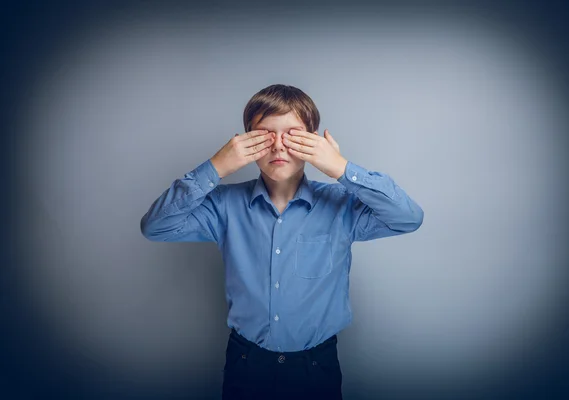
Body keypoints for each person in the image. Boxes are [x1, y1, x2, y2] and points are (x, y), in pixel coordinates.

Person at [140, 84, 424, 399]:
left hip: (317, 366)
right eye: (264, 136)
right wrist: (216, 166)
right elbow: (156, 226)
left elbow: (408, 217)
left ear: (314, 141)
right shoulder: (223, 206)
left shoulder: (342, 206)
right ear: (245, 142)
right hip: (246, 364)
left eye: (292, 136)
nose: (278, 147)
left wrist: (341, 168)